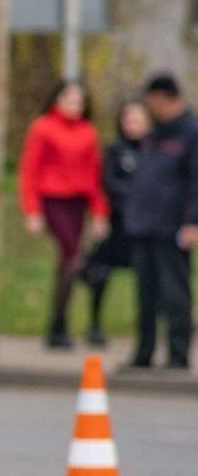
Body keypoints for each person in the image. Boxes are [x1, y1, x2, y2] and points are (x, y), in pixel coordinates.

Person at [20, 80, 111, 349]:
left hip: (77, 202)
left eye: (79, 101)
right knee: (73, 256)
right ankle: (90, 277)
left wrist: (99, 212)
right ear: (57, 100)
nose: (75, 105)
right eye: (69, 99)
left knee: (67, 264)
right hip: (53, 199)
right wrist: (32, 211)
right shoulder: (43, 128)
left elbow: (94, 175)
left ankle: (57, 326)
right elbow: (29, 170)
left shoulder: (88, 132)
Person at [125, 73, 198, 371]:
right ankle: (143, 353)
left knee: (174, 293)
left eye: (151, 102)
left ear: (164, 98)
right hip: (145, 225)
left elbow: (196, 181)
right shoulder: (154, 135)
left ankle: (178, 355)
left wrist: (193, 221)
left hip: (173, 228)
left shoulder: (191, 133)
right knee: (145, 294)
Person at [76, 100, 154, 349]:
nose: (133, 125)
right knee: (101, 272)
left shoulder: (156, 149)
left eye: (138, 120)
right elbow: (107, 182)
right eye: (128, 120)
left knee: (148, 278)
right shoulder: (116, 150)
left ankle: (147, 331)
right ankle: (95, 324)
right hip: (118, 223)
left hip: (146, 226)